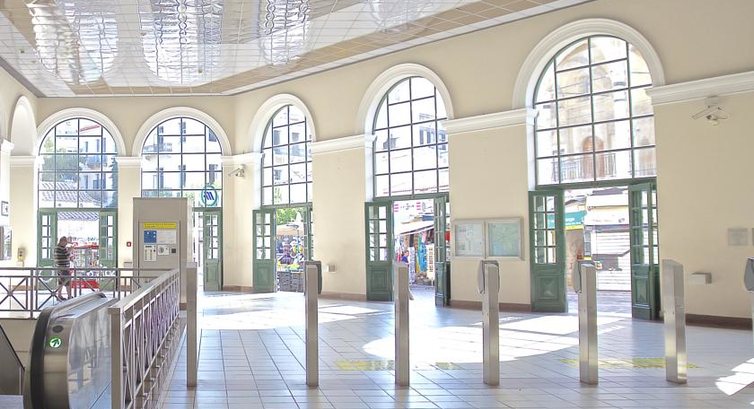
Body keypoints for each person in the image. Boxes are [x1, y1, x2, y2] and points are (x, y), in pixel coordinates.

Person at [54, 236, 73, 301]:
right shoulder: (60, 248)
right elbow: (66, 255)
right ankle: (69, 296)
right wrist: (70, 250)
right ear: (62, 241)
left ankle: (59, 295)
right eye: (65, 242)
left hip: (61, 267)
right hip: (63, 267)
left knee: (61, 282)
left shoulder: (60, 247)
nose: (66, 243)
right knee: (67, 281)